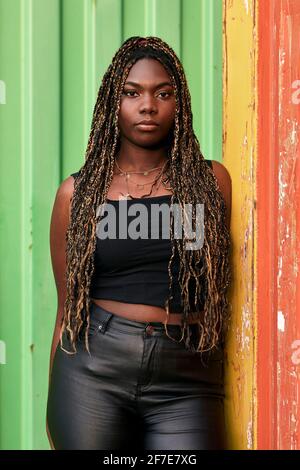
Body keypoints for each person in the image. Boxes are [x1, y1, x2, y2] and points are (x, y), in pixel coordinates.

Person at [46, 36, 232, 450]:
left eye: (162, 93)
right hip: (95, 370)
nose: (148, 105)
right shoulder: (78, 194)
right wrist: (55, 400)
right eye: (132, 93)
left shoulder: (210, 183)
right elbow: (67, 308)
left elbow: (220, 289)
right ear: (113, 103)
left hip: (185, 377)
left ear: (178, 103)